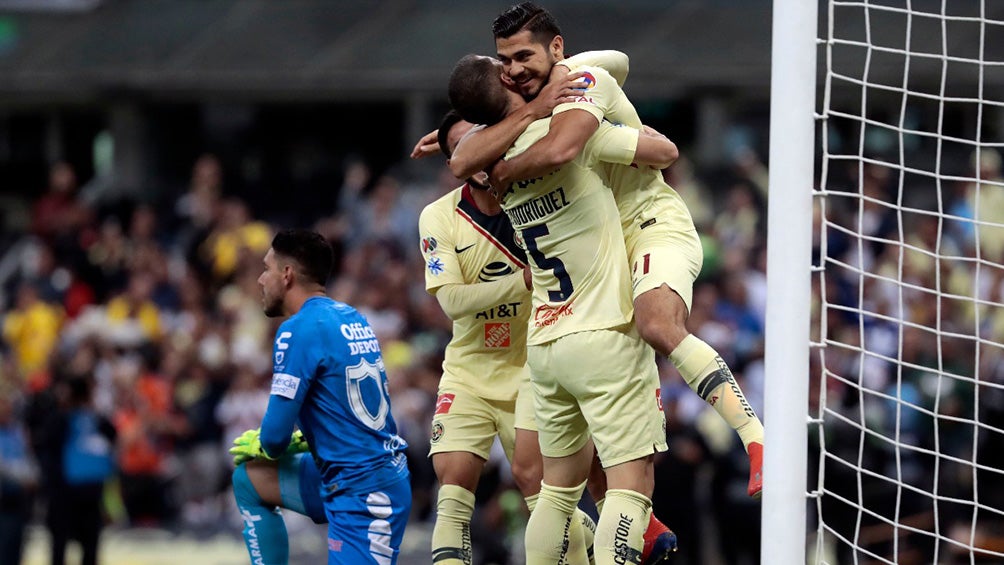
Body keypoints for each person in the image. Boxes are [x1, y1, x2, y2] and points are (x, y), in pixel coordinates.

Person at [447, 1, 765, 499]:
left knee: (656, 324)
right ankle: (636, 517)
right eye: (504, 61)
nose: (513, 70)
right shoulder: (538, 102)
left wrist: (503, 166)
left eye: (523, 57)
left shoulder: (580, 85)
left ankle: (755, 437)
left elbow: (568, 148)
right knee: (580, 383)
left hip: (649, 224)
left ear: (556, 48)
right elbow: (465, 157)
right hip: (603, 246)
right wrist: (486, 129)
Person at [448, 54, 677, 565]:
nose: (513, 64)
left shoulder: (489, 162)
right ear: (506, 79)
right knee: (629, 487)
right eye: (504, 62)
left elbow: (461, 157)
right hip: (604, 333)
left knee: (554, 494)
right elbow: (662, 152)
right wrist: (562, 82)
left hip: (546, 343)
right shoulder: (565, 131)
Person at [229, 229, 411, 564]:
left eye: (267, 269)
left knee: (254, 468)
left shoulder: (298, 330)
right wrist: (303, 438)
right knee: (251, 479)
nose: (260, 279)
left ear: (287, 275)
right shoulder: (352, 317)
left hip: (367, 495)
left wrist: (279, 441)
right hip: (352, 474)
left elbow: (273, 440)